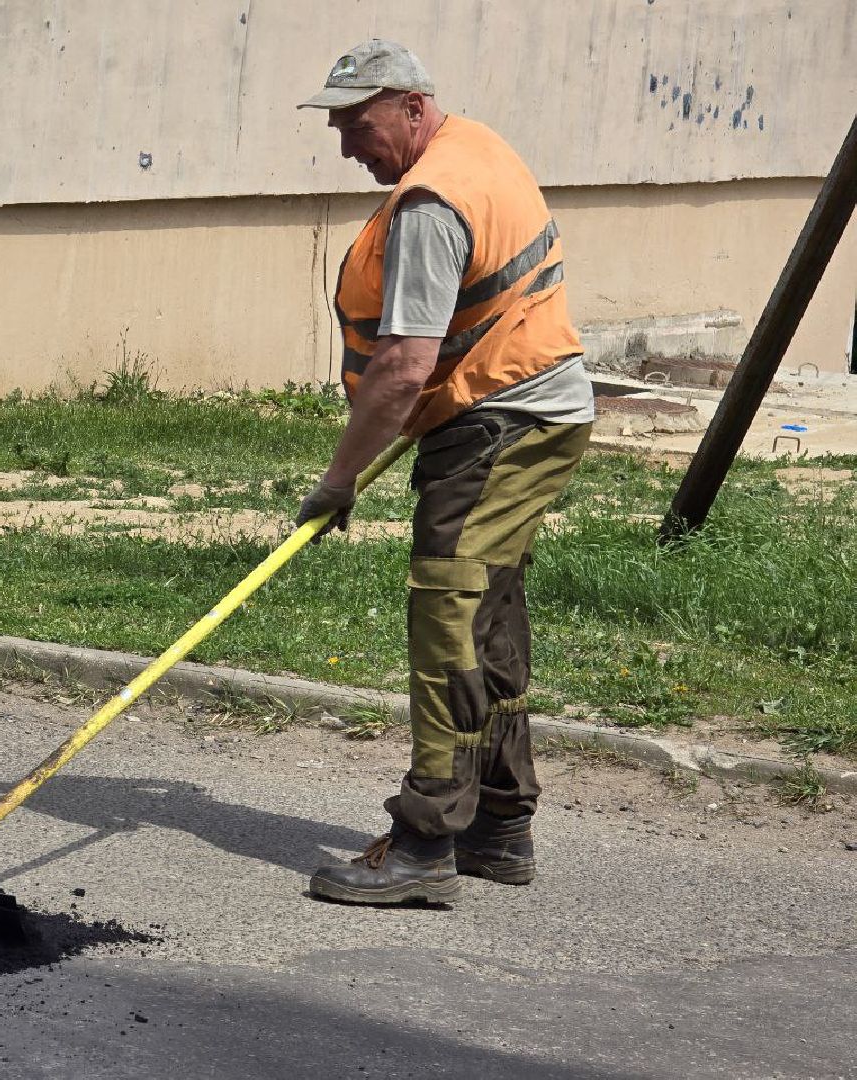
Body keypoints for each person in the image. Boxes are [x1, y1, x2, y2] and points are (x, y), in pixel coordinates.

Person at [293, 40, 595, 906]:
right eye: (337, 127)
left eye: (359, 124)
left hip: (500, 423)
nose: (347, 146)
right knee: (487, 617)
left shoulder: (431, 201)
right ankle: (498, 828)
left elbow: (402, 366)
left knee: (448, 620)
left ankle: (426, 844)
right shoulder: (477, 150)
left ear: (413, 107)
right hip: (531, 411)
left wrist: (339, 479)